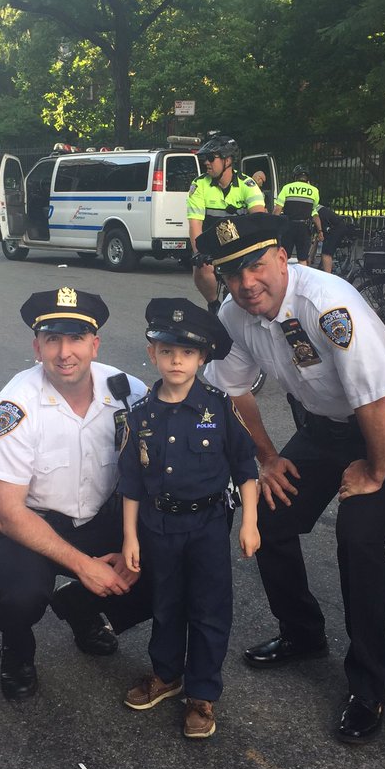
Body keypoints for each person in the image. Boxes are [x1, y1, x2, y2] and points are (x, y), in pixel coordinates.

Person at [197, 214, 385, 743]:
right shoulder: (234, 315)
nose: (246, 283)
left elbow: (372, 395)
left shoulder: (326, 304)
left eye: (257, 266)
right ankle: (303, 634)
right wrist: (265, 456)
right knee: (266, 514)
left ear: (283, 258)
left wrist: (375, 470)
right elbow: (233, 390)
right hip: (328, 428)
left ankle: (368, 685)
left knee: (358, 538)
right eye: (232, 273)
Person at [0, 287, 153, 701]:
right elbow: (5, 513)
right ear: (37, 347)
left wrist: (132, 542)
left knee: (171, 565)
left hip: (102, 516)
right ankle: (16, 646)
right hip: (29, 523)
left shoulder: (129, 392)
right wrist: (85, 566)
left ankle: (80, 608)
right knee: (20, 596)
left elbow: (152, 474)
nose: (64, 352)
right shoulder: (13, 408)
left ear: (95, 344)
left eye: (76, 339)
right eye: (52, 339)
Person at [119, 298, 259, 739]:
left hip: (208, 527)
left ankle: (201, 692)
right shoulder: (139, 415)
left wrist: (250, 521)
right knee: (166, 604)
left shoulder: (218, 407)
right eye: (166, 350)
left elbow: (246, 467)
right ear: (152, 354)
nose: (176, 360)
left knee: (209, 609)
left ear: (202, 358)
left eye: (187, 352)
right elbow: (130, 483)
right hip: (158, 528)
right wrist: (129, 538)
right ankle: (167, 675)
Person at [187, 134, 266, 310]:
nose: (206, 162)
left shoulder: (247, 184)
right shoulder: (199, 184)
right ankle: (214, 305)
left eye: (210, 158)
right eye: (203, 159)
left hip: (240, 243)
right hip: (212, 244)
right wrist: (198, 252)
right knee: (200, 267)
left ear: (227, 160)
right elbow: (195, 224)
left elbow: (259, 219)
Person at [272, 165, 320, 265]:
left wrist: (272, 225)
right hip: (304, 227)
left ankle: (282, 278)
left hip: (288, 226)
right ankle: (302, 280)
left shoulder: (287, 188)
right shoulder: (314, 190)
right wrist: (320, 230)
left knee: (284, 256)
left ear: (295, 176)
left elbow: (277, 209)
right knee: (302, 258)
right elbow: (314, 210)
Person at [314, 203, 352, 274]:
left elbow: (318, 232)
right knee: (326, 251)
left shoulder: (313, 211)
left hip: (334, 229)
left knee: (326, 253)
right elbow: (316, 237)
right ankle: (327, 271)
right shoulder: (316, 207)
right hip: (337, 226)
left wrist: (310, 258)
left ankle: (328, 277)